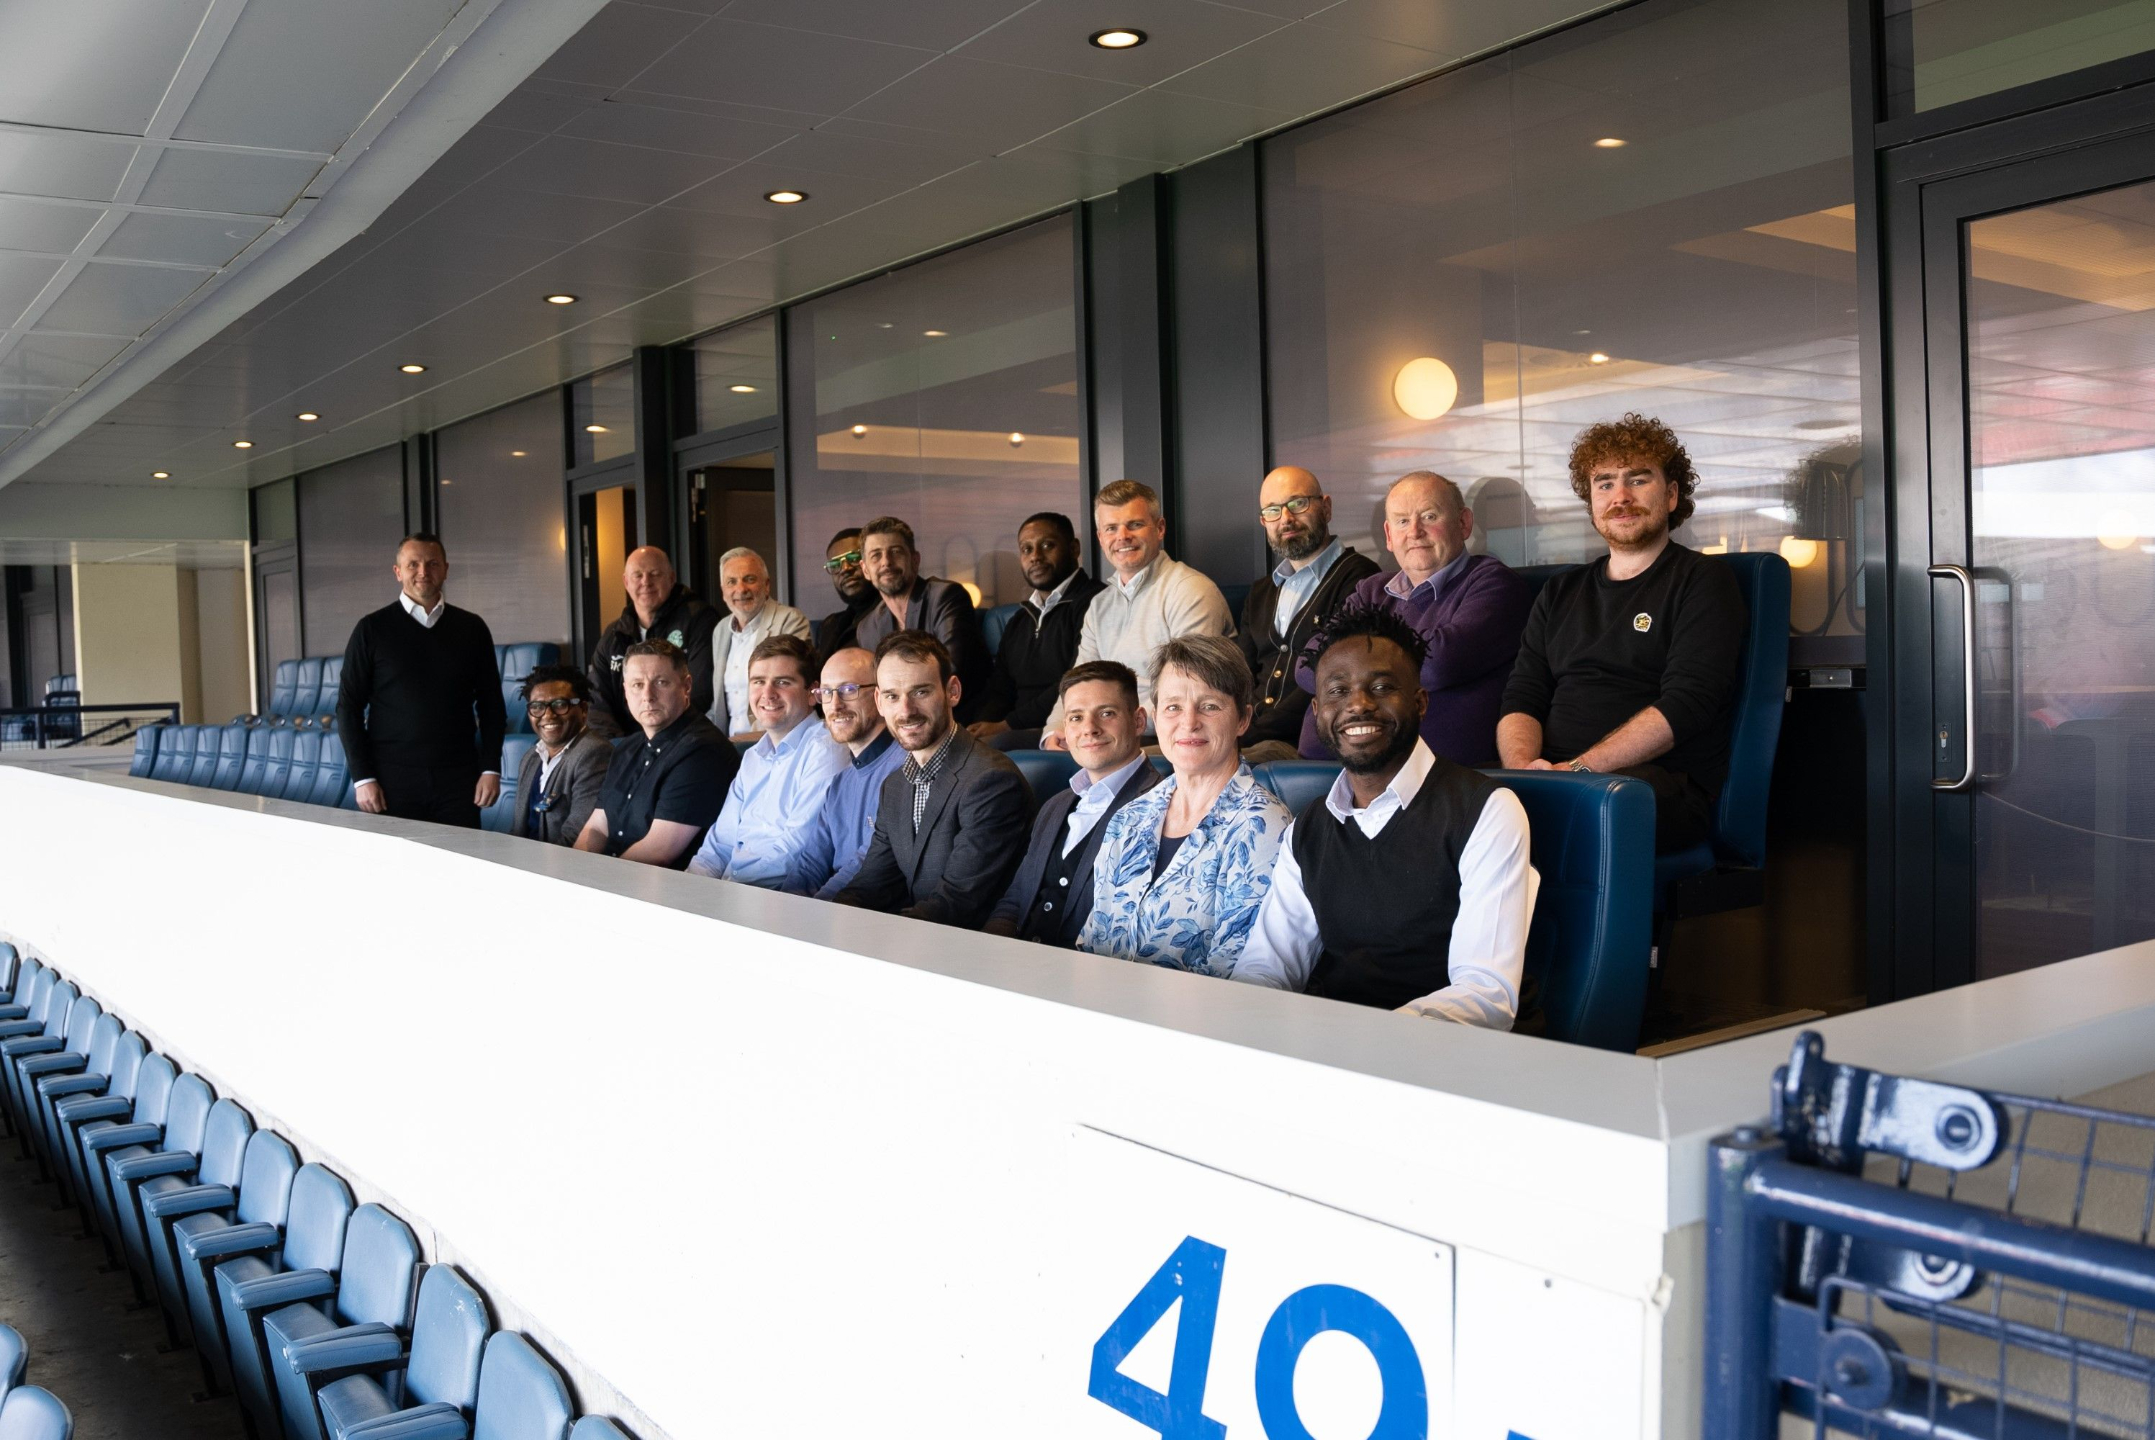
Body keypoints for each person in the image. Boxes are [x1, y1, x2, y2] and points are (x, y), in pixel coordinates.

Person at [1237, 607, 1538, 1028]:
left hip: (1448, 1053)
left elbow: (1485, 995)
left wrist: (1363, 1042)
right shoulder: (1308, 829)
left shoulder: (1486, 810)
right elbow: (1267, 968)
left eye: (1381, 687)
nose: (1358, 704)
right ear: (1318, 711)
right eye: (1338, 691)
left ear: (1420, 703)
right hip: (1332, 1046)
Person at [1497, 413, 1745, 852]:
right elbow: (1523, 696)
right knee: (1447, 798)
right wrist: (1523, 772)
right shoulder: (1560, 591)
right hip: (1555, 777)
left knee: (1565, 818)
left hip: (1653, 787)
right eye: (1605, 483)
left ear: (1671, 495)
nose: (1621, 496)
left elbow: (1688, 703)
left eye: (1638, 479)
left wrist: (1577, 772)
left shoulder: (1703, 580)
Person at [1077, 637, 1291, 976]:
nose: (1189, 722)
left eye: (1210, 706)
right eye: (1173, 707)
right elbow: (1093, 943)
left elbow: (1234, 976)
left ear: (1243, 719)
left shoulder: (1263, 826)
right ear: (1156, 718)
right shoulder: (1128, 818)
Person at [1297, 471, 1531, 767]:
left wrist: (1348, 671)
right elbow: (1307, 666)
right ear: (1389, 535)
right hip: (1331, 771)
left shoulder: (1494, 584)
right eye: (1403, 521)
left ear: (1463, 523)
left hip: (1440, 776)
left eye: (1430, 517)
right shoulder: (1370, 591)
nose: (1415, 532)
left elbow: (1440, 663)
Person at [832, 631, 1029, 925]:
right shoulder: (895, 786)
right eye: (892, 696)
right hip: (919, 935)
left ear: (953, 691)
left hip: (967, 945)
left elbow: (954, 904)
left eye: (921, 692)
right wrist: (831, 923)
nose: (906, 711)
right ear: (879, 702)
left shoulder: (992, 782)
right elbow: (872, 884)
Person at [984, 661, 1164, 948]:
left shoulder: (1164, 808)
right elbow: (1016, 900)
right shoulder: (1054, 806)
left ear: (1139, 721)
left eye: (1106, 713)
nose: (1089, 729)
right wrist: (991, 951)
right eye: (1076, 717)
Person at [1042, 480, 1234, 747]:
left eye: (1134, 525)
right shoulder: (1099, 605)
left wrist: (1113, 723)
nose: (1122, 536)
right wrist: (1056, 729)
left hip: (1173, 738)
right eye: (1111, 528)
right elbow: (1079, 682)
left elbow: (1190, 690)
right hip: (1113, 732)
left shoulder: (1190, 589)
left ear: (1160, 528)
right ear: (1100, 538)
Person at [335, 532, 506, 827]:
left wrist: (491, 768)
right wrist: (363, 777)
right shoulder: (371, 629)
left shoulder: (472, 628)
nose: (423, 572)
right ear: (398, 572)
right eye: (413, 564)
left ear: (446, 569)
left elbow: (492, 704)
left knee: (459, 856)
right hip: (391, 782)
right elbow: (348, 708)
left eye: (432, 563)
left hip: (458, 780)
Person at [1238, 466, 1379, 762]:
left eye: (1298, 503)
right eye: (1273, 510)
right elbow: (1239, 675)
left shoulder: (1361, 579)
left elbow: (1333, 679)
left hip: (1303, 743)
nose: (1286, 518)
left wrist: (1245, 734)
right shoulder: (1260, 592)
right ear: (1264, 521)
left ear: (1326, 508)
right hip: (1244, 738)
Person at [687, 634, 848, 886]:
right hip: (728, 891)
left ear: (812, 693)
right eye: (758, 682)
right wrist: (689, 889)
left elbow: (796, 850)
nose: (767, 693)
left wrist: (728, 889)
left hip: (775, 897)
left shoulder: (826, 748)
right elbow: (718, 846)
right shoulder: (752, 757)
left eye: (782, 682)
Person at [575, 640, 740, 867]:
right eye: (637, 684)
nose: (648, 695)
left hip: (664, 884)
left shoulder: (704, 751)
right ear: (625, 691)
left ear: (686, 686)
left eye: (661, 682)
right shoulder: (625, 748)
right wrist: (575, 872)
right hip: (610, 876)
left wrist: (597, 882)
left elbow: (659, 851)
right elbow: (597, 827)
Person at [780, 646, 909, 900]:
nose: (835, 705)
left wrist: (814, 910)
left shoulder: (905, 767)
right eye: (826, 693)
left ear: (879, 696)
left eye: (849, 690)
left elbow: (867, 864)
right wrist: (785, 906)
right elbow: (810, 863)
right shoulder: (840, 782)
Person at [968, 512, 1103, 751]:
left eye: (1047, 545)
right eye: (1027, 549)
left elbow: (1075, 681)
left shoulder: (1096, 603)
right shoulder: (1019, 620)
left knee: (995, 746)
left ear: (1074, 548)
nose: (1035, 557)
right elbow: (1000, 688)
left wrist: (1007, 725)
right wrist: (978, 726)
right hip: (1016, 729)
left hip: (1067, 727)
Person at [851, 517, 989, 717]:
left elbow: (951, 669)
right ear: (865, 569)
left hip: (965, 716)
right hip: (903, 720)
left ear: (915, 560)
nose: (886, 562)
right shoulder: (867, 628)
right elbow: (877, 687)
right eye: (876, 555)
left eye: (896, 552)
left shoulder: (945, 596)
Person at [585, 547, 718, 740]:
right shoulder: (613, 634)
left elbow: (700, 691)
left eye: (655, 574)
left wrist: (657, 740)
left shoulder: (699, 620)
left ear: (671, 578)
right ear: (626, 582)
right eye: (637, 575)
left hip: (680, 739)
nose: (646, 582)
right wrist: (618, 745)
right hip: (622, 743)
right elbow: (596, 700)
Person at [708, 547, 810, 739]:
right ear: (723, 591)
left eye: (749, 579)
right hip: (729, 744)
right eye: (731, 582)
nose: (741, 589)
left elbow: (791, 694)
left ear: (767, 585)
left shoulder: (790, 620)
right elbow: (720, 703)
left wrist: (748, 741)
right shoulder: (720, 630)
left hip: (776, 740)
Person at [511, 663, 610, 846]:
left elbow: (577, 836)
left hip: (562, 861)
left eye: (560, 704)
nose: (548, 715)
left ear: (583, 709)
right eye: (537, 706)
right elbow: (518, 829)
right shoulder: (530, 757)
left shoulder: (595, 754)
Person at [814, 528, 877, 659]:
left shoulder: (894, 615)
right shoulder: (830, 626)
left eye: (854, 558)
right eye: (835, 564)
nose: (845, 569)